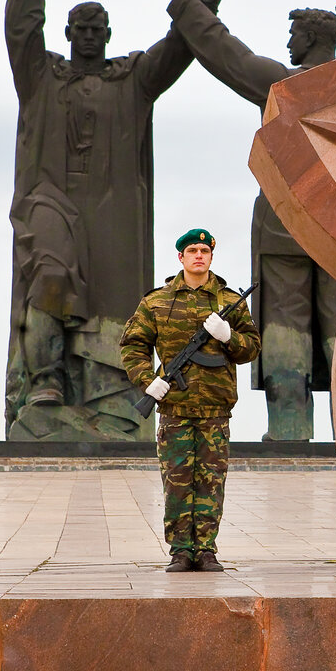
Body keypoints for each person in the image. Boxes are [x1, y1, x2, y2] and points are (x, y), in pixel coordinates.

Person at [127, 0, 336, 442]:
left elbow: (219, 49)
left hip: (286, 226)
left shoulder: (284, 84)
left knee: (285, 334)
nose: (290, 43)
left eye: (295, 34)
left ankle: (290, 433)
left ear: (311, 38)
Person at [3, 0, 242, 440]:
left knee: (114, 310)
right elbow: (21, 30)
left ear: (108, 34)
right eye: (80, 29)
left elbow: (181, 46)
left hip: (113, 215)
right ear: (67, 34)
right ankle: (44, 384)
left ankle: (104, 401)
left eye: (98, 29)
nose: (89, 36)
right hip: (49, 200)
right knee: (47, 273)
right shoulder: (40, 76)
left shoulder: (132, 79)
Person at [120, 229, 261, 572]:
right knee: (177, 481)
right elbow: (133, 345)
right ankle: (181, 551)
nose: (198, 255)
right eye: (192, 250)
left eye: (204, 251)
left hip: (215, 408)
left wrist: (228, 337)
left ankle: (207, 550)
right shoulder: (157, 301)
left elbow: (252, 348)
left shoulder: (229, 302)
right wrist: (148, 380)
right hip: (174, 408)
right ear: (180, 258)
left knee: (211, 481)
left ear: (211, 257)